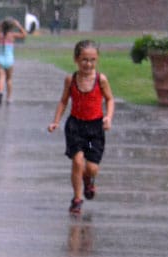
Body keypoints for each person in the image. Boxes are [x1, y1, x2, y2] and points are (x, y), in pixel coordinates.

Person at [47, 40, 115, 216]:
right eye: (84, 59)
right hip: (76, 126)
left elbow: (110, 99)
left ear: (97, 60)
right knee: (77, 162)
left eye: (92, 60)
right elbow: (63, 101)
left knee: (92, 167)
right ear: (76, 59)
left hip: (95, 129)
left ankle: (89, 179)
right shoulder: (71, 80)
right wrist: (56, 121)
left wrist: (108, 117)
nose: (88, 64)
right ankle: (77, 199)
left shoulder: (101, 80)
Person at [0, 16, 27, 106]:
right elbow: (24, 34)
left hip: (0, 60)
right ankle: (9, 98)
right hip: (9, 60)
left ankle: (0, 92)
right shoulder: (12, 35)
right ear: (11, 27)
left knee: (1, 78)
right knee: (9, 79)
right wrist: (18, 25)